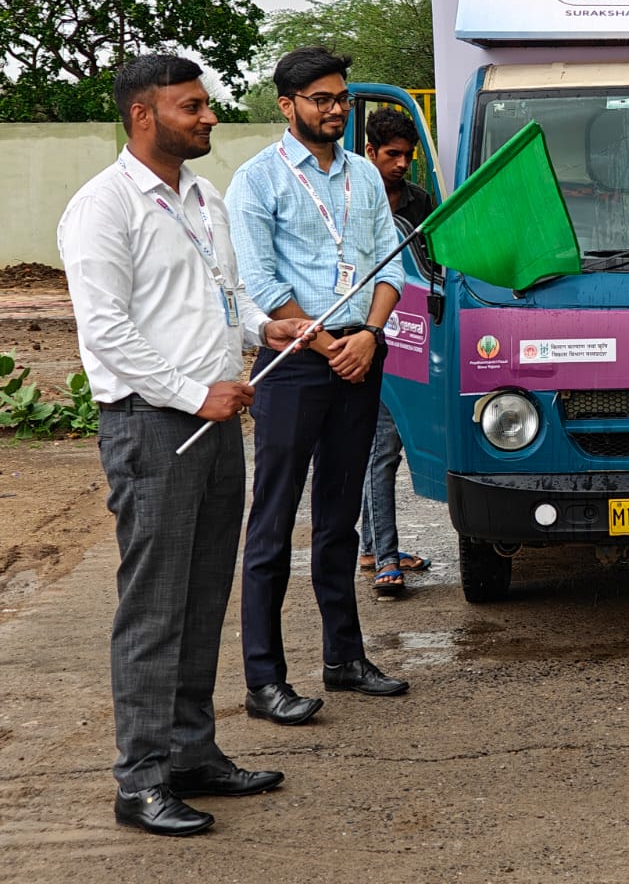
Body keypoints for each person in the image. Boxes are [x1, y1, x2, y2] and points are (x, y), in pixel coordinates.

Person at [58, 55, 309, 835]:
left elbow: (215, 298)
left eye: (207, 105)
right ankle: (139, 781)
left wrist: (263, 329)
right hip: (153, 425)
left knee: (203, 597)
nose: (209, 118)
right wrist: (196, 393)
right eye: (191, 106)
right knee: (154, 609)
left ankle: (192, 754)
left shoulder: (204, 198)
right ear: (144, 114)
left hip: (216, 422)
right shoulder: (102, 208)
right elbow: (107, 332)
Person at [226, 47, 409, 723]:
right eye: (321, 100)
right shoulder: (257, 180)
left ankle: (344, 658)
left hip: (361, 354)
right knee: (273, 522)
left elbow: (391, 268)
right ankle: (264, 681)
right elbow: (264, 283)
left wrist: (367, 337)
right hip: (298, 363)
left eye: (341, 99)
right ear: (287, 105)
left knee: (339, 515)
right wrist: (330, 343)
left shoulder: (363, 176)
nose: (335, 110)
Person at [359, 105, 436, 596]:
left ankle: (373, 546)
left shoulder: (420, 201)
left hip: (411, 339)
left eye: (407, 155)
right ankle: (386, 557)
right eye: (392, 154)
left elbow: (433, 266)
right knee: (381, 451)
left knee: (388, 447)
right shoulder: (354, 201)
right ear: (370, 152)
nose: (401, 163)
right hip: (366, 338)